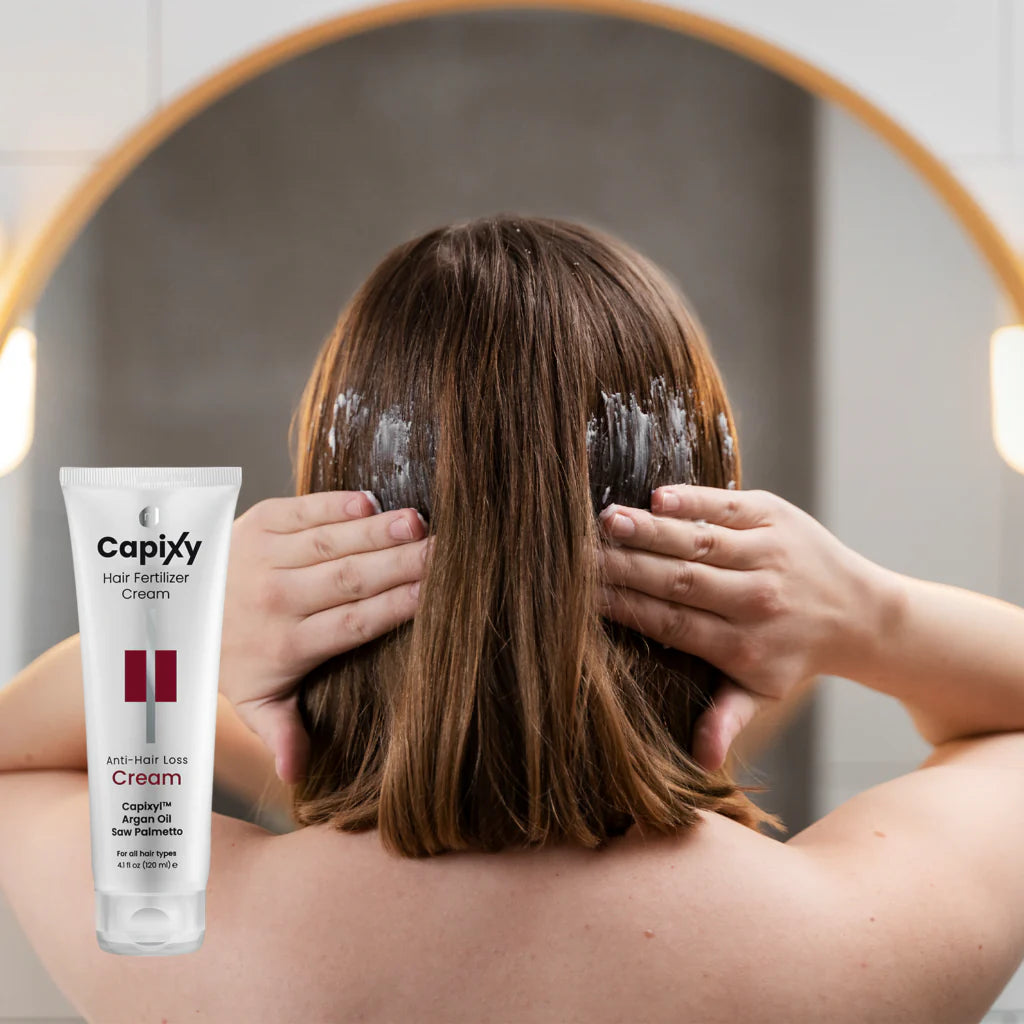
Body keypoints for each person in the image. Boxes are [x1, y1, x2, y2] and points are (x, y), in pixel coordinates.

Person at [1, 215, 1023, 1023]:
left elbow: (14, 753)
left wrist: (181, 624)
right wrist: (866, 613)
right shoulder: (848, 945)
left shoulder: (201, 945)